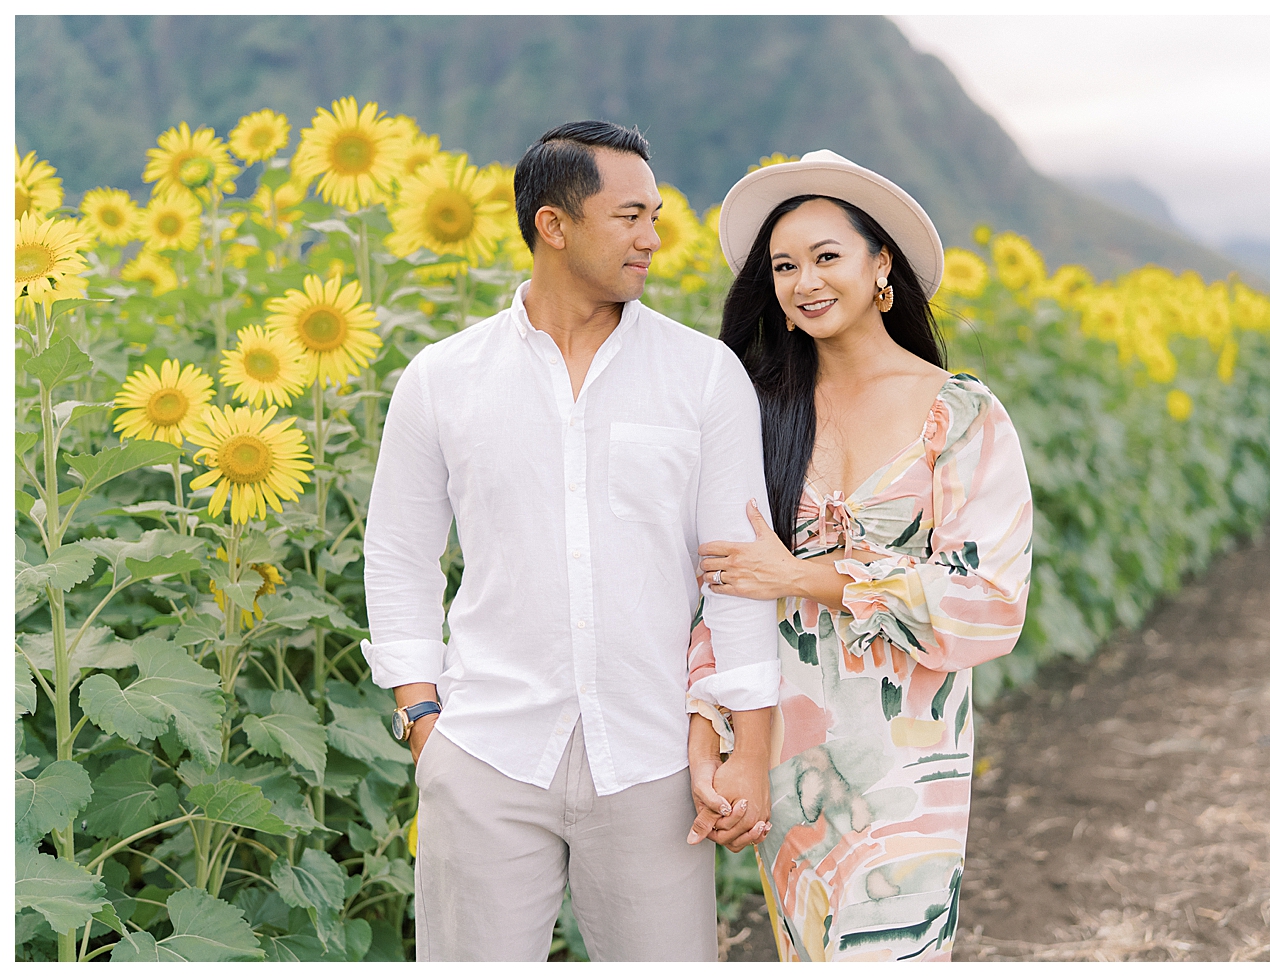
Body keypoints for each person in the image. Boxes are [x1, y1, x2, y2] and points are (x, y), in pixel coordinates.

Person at [360, 120, 777, 962]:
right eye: (629, 217)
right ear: (554, 224)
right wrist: (422, 719)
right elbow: (400, 551)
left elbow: (737, 574)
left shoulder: (703, 375)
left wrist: (748, 749)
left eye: (654, 216)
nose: (652, 239)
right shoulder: (443, 377)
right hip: (483, 751)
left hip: (655, 757)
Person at [683, 151, 1034, 961]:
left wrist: (805, 576)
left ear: (882, 265)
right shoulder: (759, 410)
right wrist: (712, 737)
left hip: (908, 761)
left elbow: (991, 599)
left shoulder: (960, 413)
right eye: (784, 265)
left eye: (826, 256)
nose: (804, 280)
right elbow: (723, 587)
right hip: (788, 751)